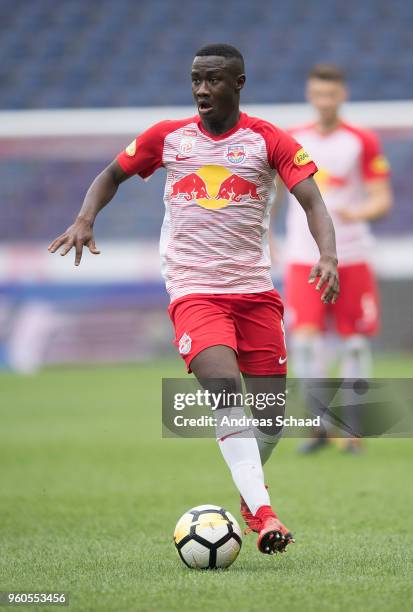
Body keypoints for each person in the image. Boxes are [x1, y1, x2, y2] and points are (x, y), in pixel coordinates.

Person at [48, 44, 339, 555]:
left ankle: (250, 499)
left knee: (269, 419)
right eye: (196, 80)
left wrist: (328, 256)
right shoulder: (168, 137)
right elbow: (110, 174)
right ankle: (266, 515)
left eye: (213, 80)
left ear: (239, 83)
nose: (202, 90)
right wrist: (85, 218)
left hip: (254, 292)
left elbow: (312, 201)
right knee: (224, 386)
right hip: (193, 289)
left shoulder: (267, 140)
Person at [275, 64, 392, 453]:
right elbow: (275, 196)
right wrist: (267, 238)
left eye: (331, 94)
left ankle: (351, 429)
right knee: (305, 343)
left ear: (342, 96)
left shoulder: (362, 141)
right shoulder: (292, 140)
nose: (324, 101)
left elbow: (381, 198)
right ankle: (318, 426)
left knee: (354, 343)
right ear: (310, 95)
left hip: (352, 255)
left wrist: (356, 213)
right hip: (302, 257)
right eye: (318, 94)